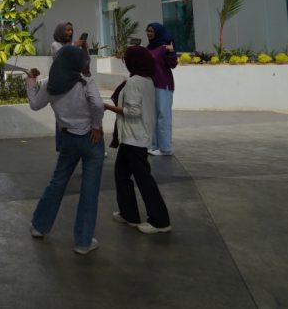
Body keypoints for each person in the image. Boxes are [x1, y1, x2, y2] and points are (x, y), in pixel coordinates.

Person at [26, 45, 106, 255]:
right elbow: (98, 105)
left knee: (58, 181)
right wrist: (96, 125)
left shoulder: (50, 84)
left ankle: (39, 226)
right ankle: (83, 242)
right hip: (91, 139)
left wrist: (31, 82)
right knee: (90, 189)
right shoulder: (85, 81)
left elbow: (34, 105)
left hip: (68, 139)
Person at [104, 46, 172, 234]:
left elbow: (133, 111)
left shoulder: (134, 82)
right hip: (135, 137)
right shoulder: (148, 80)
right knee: (122, 175)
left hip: (134, 138)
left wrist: (107, 107)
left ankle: (160, 221)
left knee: (143, 180)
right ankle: (129, 214)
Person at [145, 22, 177, 156]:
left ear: (157, 32)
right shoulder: (148, 48)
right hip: (151, 85)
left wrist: (171, 52)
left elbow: (173, 64)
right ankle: (154, 145)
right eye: (147, 31)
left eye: (151, 31)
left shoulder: (165, 47)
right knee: (153, 117)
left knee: (163, 116)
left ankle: (165, 148)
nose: (149, 33)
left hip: (163, 85)